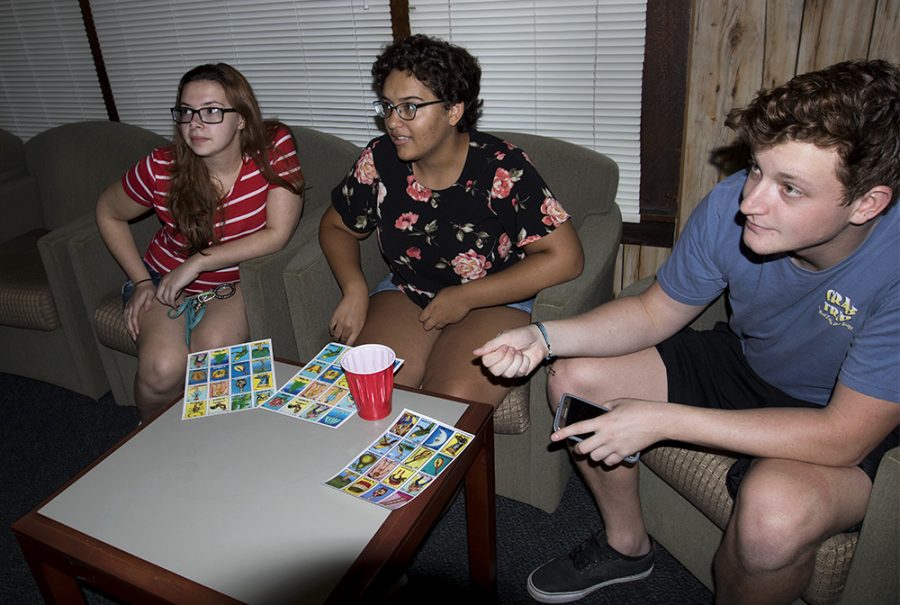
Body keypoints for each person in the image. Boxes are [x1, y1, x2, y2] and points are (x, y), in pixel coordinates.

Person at [475, 59, 900, 604]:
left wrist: (663, 420)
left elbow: (844, 435)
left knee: (772, 519)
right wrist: (545, 337)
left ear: (868, 203)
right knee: (576, 381)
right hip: (749, 362)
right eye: (756, 170)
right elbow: (655, 312)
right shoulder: (732, 207)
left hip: (848, 415)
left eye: (790, 189)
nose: (750, 203)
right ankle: (626, 546)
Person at [320, 34, 584, 406]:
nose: (393, 122)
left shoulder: (501, 168)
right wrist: (354, 289)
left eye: (410, 107)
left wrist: (465, 296)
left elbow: (566, 257)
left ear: (454, 110)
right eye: (388, 106)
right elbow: (335, 226)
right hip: (408, 291)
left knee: (450, 400)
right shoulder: (379, 160)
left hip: (495, 297)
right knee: (370, 392)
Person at [96, 63, 304, 420]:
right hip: (163, 278)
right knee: (161, 370)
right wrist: (142, 281)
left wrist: (198, 261)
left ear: (241, 118)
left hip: (231, 282)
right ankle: (152, 439)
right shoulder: (162, 168)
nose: (195, 123)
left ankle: (208, 452)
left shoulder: (273, 147)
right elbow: (107, 211)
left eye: (211, 111)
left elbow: (277, 234)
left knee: (214, 361)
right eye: (186, 112)